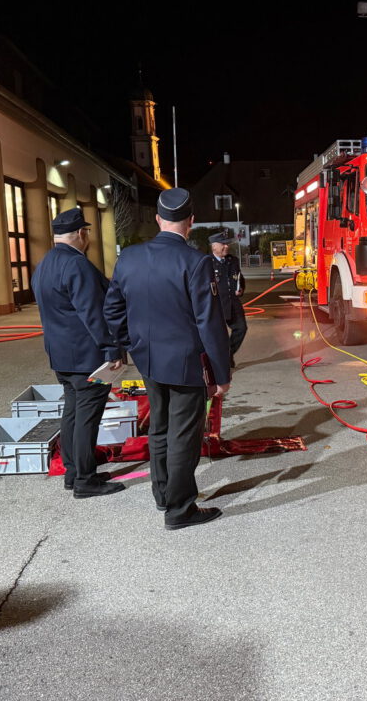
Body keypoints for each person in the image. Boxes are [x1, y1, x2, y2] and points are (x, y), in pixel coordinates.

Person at [104, 188, 232, 529]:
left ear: (159, 219)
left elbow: (112, 308)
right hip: (185, 362)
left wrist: (130, 343)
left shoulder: (129, 258)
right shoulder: (196, 262)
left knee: (159, 427)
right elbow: (210, 322)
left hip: (147, 359)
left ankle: (162, 494)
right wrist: (221, 373)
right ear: (191, 222)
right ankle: (180, 509)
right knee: (184, 436)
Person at [30, 207, 125, 499]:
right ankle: (85, 479)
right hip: (87, 357)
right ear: (81, 234)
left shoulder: (45, 264)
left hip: (62, 355)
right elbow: (93, 313)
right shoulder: (77, 265)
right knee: (87, 417)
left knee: (72, 414)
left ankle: (73, 472)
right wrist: (112, 348)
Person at [208, 229, 247, 369]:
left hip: (233, 303)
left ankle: (227, 354)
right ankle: (218, 363)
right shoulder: (207, 263)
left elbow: (239, 278)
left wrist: (241, 289)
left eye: (227, 244)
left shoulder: (232, 260)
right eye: (223, 244)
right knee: (217, 337)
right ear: (214, 246)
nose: (226, 246)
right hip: (216, 306)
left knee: (241, 328)